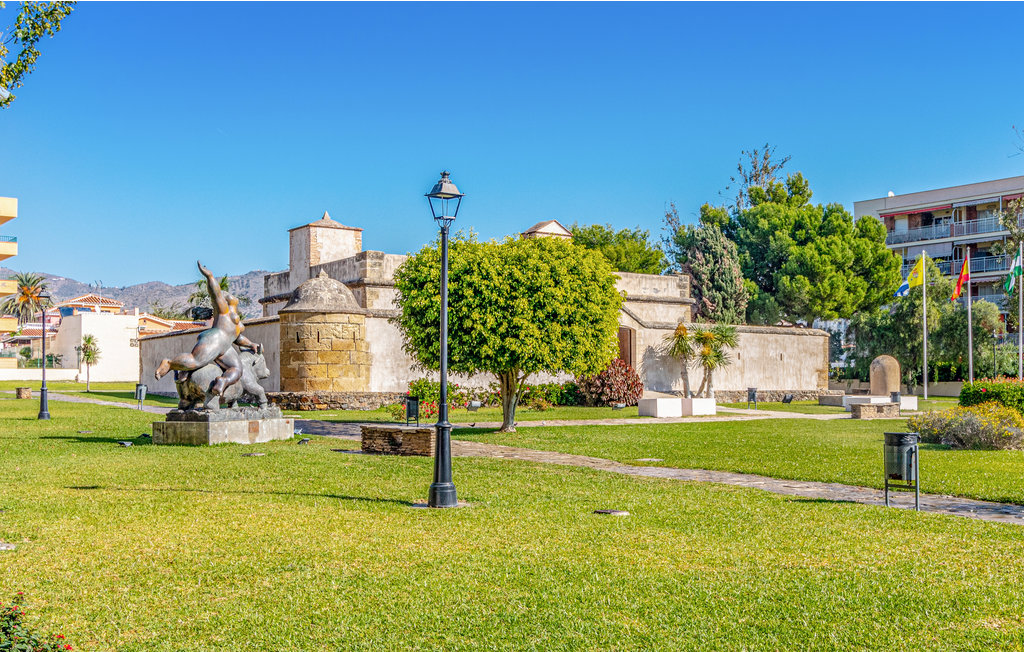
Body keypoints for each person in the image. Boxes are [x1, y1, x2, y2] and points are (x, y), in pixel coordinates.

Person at [155, 261, 252, 396]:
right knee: (196, 361)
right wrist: (210, 277)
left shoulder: (236, 320)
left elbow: (238, 338)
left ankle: (222, 381)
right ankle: (169, 363)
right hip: (216, 338)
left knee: (237, 368)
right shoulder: (223, 310)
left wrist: (252, 345)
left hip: (226, 346)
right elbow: (216, 293)